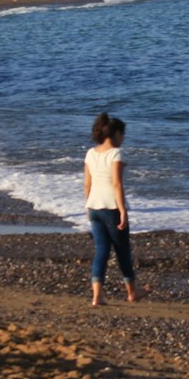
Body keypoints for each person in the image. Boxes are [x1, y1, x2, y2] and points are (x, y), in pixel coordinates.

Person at [83, 112, 138, 307]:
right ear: (115, 134)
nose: (123, 139)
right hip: (111, 207)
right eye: (122, 135)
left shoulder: (91, 153)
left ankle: (97, 296)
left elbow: (87, 184)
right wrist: (123, 210)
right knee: (122, 251)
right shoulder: (116, 154)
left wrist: (88, 205)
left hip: (94, 207)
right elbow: (116, 184)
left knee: (101, 251)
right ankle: (132, 293)